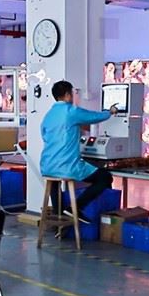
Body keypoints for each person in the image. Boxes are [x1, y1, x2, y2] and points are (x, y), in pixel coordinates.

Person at [40, 80, 117, 224]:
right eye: (73, 93)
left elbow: (44, 135)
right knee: (105, 177)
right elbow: (93, 117)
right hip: (66, 166)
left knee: (55, 182)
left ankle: (59, 214)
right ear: (67, 95)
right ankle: (76, 207)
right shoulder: (71, 111)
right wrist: (110, 112)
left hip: (47, 165)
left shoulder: (48, 115)